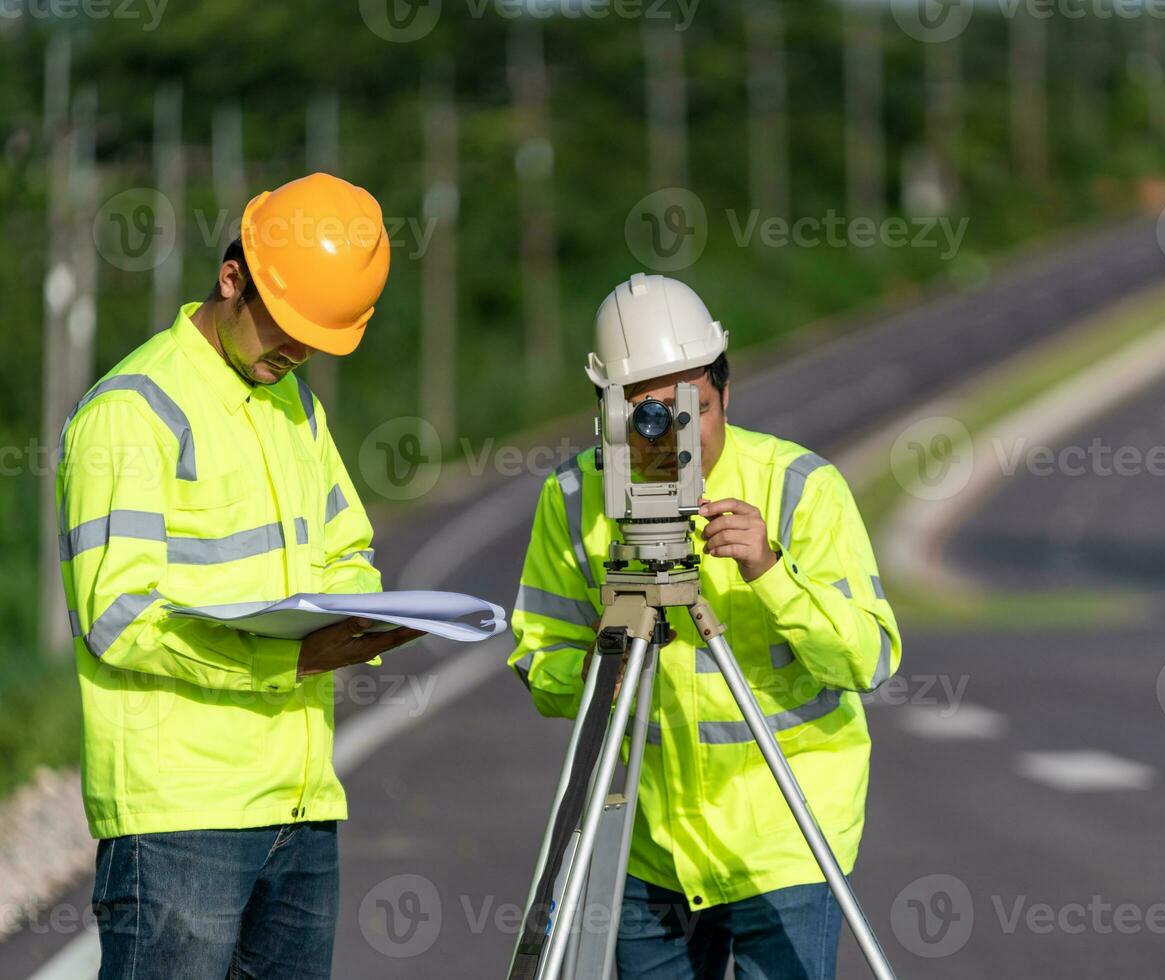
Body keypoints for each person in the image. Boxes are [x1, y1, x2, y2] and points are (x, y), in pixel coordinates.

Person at [55, 172, 423, 979]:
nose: (295, 353)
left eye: (316, 341)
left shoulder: (295, 407)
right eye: (287, 327)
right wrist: (287, 659)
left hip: (300, 803)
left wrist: (362, 620)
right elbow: (116, 616)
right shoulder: (133, 412)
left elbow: (347, 550)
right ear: (232, 279)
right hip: (181, 817)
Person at [509, 272, 902, 979]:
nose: (671, 434)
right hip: (647, 848)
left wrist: (770, 571)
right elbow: (540, 666)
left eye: (695, 408)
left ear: (727, 393)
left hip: (785, 843)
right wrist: (608, 660)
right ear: (605, 410)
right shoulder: (573, 500)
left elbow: (866, 659)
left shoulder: (800, 488)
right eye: (646, 414)